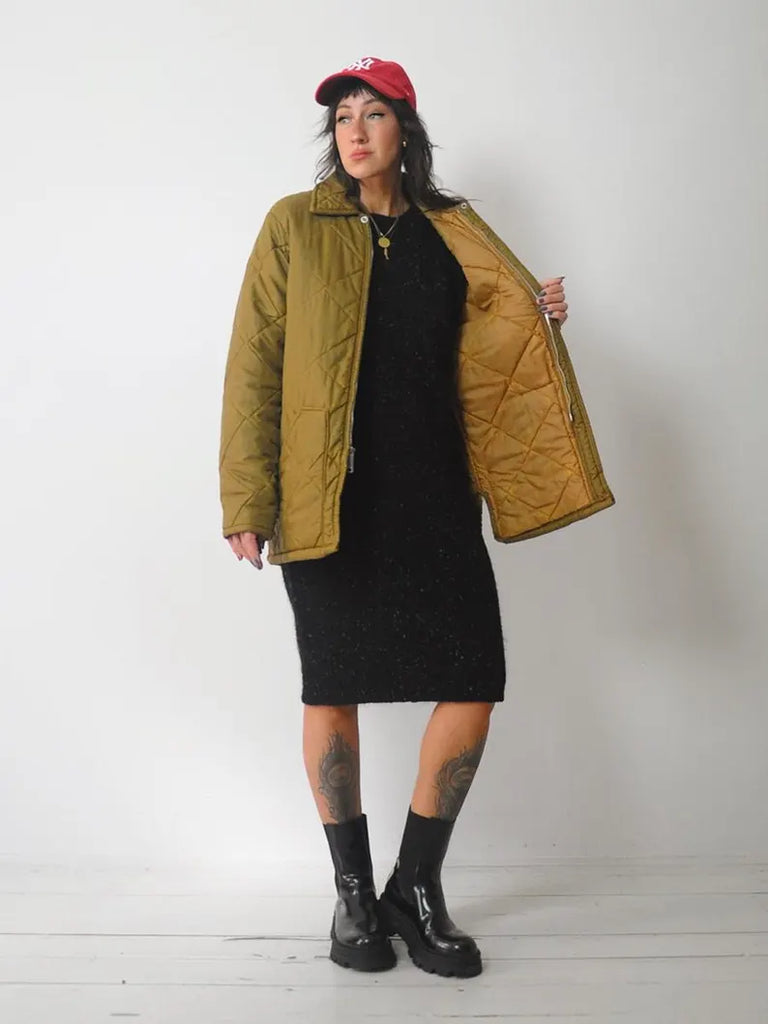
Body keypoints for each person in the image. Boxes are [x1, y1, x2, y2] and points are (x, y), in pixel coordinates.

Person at [218, 56, 615, 979]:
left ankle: (417, 886)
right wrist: (247, 499)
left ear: (407, 129)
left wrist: (538, 316)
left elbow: (489, 341)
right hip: (327, 500)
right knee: (333, 687)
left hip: (438, 495)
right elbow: (254, 364)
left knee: (473, 681)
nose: (355, 131)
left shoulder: (452, 229)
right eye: (342, 117)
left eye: (374, 113)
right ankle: (354, 896)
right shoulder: (294, 225)